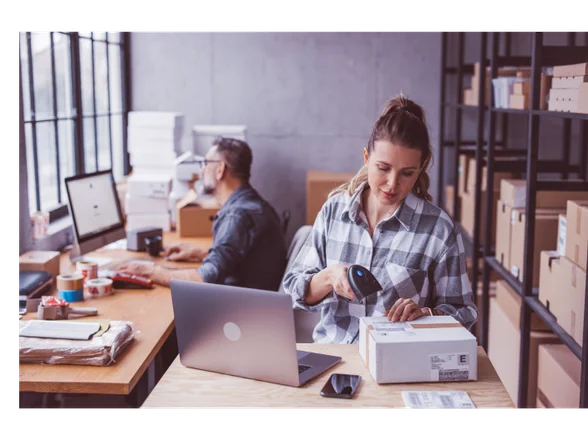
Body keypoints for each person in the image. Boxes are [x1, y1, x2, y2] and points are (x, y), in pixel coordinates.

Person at [282, 93, 478, 344]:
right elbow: (294, 290)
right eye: (383, 168)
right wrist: (329, 277)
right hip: (334, 359)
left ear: (422, 167)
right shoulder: (334, 212)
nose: (392, 184)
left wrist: (427, 315)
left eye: (407, 173)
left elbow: (465, 313)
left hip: (397, 364)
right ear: (366, 158)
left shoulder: (438, 230)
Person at [117, 137, 287, 291]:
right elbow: (245, 258)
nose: (202, 170)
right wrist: (199, 254)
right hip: (254, 299)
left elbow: (204, 279)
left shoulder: (237, 216)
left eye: (206, 163)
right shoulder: (253, 204)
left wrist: (150, 270)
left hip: (238, 312)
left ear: (220, 169)